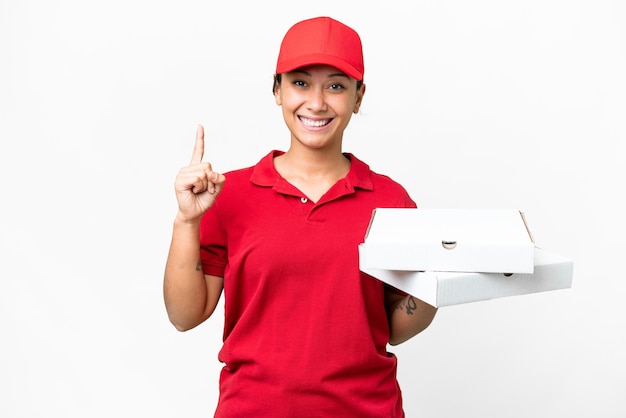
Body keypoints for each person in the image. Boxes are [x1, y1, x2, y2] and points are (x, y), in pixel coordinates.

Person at [164, 16, 438, 417]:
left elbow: (393, 328)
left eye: (336, 86)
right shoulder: (228, 193)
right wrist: (186, 221)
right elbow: (185, 316)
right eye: (300, 82)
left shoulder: (391, 200)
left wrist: (436, 285)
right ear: (277, 90)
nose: (317, 102)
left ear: (359, 98)